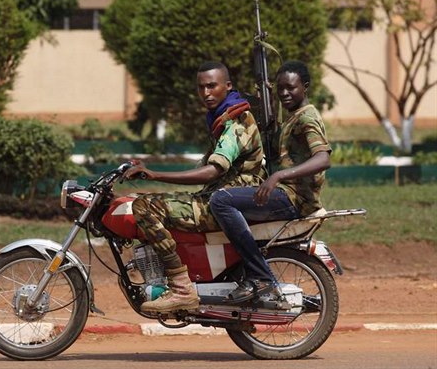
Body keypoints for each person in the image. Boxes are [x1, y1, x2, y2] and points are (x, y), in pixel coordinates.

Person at [123, 61, 266, 313]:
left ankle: (181, 289)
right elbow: (206, 165)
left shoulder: (236, 121)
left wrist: (155, 175)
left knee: (145, 206)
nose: (206, 93)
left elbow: (213, 170)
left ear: (227, 86)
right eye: (201, 87)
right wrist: (149, 168)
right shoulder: (221, 117)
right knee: (159, 201)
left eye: (212, 86)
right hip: (220, 195)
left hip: (227, 201)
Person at [209, 60, 331, 303]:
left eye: (291, 88)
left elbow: (322, 158)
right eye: (280, 88)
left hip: (294, 198)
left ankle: (259, 275)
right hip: (287, 192)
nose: (285, 93)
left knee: (221, 201)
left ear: (305, 88)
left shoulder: (307, 118)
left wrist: (278, 176)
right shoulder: (292, 117)